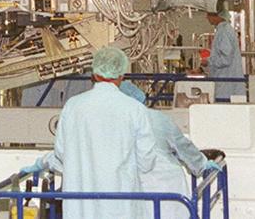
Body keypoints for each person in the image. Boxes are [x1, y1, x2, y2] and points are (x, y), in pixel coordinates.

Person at [21, 46, 157, 219]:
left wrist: (45, 163)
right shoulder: (135, 109)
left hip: (79, 205)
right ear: (121, 75)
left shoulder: (73, 106)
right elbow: (146, 161)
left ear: (94, 73)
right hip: (121, 205)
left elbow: (61, 153)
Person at [120, 81, 220, 219]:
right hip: (165, 183)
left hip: (133, 188)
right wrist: (201, 164)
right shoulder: (157, 118)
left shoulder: (114, 123)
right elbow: (182, 145)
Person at [205, 9, 245, 102]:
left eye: (209, 15)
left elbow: (226, 59)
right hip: (227, 83)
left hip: (226, 86)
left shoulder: (224, 32)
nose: (206, 17)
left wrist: (208, 61)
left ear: (217, 16)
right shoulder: (224, 30)